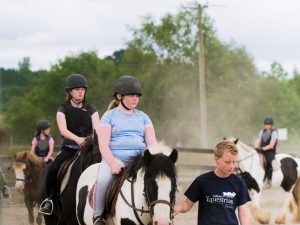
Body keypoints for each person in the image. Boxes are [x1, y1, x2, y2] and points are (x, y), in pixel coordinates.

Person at [92, 75, 157, 225]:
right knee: (102, 180)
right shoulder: (108, 116)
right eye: (131, 95)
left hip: (139, 162)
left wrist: (153, 162)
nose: (135, 99)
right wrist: (113, 163)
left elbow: (151, 144)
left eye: (137, 96)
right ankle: (98, 217)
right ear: (119, 96)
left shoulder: (144, 117)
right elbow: (103, 145)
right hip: (114, 160)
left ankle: (160, 215)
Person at [39, 73, 100, 215]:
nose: (80, 92)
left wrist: (89, 140)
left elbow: (97, 129)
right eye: (77, 89)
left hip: (89, 148)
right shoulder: (62, 109)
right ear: (69, 91)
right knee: (52, 169)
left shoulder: (92, 109)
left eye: (83, 89)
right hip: (69, 148)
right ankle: (49, 200)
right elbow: (63, 130)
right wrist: (78, 140)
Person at [173, 140, 251, 225]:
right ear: (216, 159)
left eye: (234, 162)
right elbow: (187, 204)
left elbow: (243, 214)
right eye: (227, 162)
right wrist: (179, 208)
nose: (231, 166)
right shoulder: (202, 181)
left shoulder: (239, 183)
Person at [255, 116, 278, 187]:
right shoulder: (262, 131)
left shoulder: (274, 133)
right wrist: (256, 146)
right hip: (261, 149)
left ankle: (269, 180)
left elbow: (271, 145)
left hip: (270, 151)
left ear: (271, 125)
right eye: (266, 124)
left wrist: (263, 148)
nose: (267, 125)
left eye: (269, 124)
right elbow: (258, 140)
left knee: (269, 162)